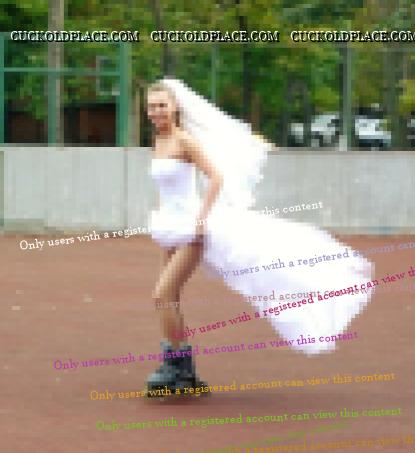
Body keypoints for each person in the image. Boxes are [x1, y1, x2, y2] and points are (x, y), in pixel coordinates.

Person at [146, 77, 374, 396]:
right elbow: (165, 187)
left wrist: (201, 218)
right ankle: (181, 369)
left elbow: (216, 177)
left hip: (190, 230)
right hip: (168, 226)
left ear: (174, 107)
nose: (156, 111)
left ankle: (178, 367)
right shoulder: (158, 141)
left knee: (162, 295)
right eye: (152, 106)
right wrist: (160, 216)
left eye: (162, 105)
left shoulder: (185, 141)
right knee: (168, 299)